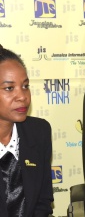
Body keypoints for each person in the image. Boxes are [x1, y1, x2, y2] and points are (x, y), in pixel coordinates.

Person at [0, 45, 53, 216]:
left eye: (25, 86)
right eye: (9, 88)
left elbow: (42, 203)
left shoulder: (39, 132)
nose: (22, 96)